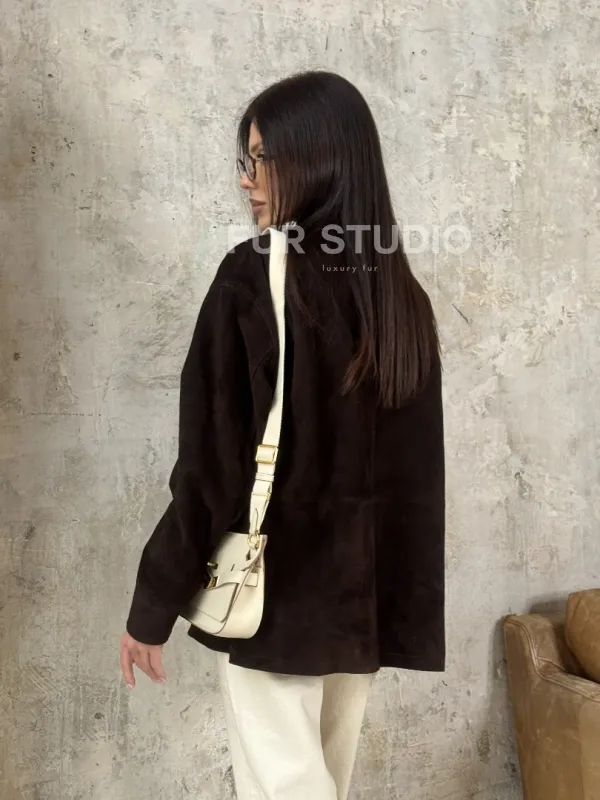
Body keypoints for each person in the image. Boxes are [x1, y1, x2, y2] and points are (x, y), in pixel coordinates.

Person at [120, 70, 445, 800]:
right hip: (363, 607)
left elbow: (210, 468)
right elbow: (418, 484)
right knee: (322, 783)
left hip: (277, 600)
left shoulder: (253, 277)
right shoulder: (400, 296)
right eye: (248, 159)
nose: (247, 179)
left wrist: (152, 606)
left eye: (263, 159)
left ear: (318, 158)